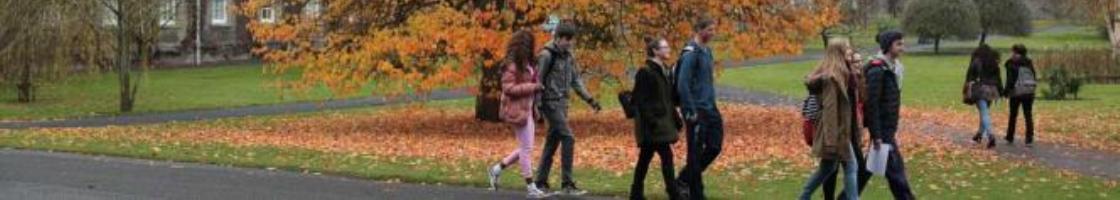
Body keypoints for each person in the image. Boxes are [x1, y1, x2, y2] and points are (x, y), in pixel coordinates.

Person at [534, 22, 601, 196]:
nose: (569, 43)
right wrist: (538, 106)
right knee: (568, 137)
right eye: (566, 39)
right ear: (557, 38)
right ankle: (567, 184)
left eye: (571, 40)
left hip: (563, 104)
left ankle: (540, 181)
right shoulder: (546, 55)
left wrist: (590, 99)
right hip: (550, 103)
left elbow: (576, 80)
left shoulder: (569, 57)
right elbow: (537, 82)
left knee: (552, 142)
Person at [487, 30, 550, 199]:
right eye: (529, 45)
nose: (532, 49)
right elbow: (508, 89)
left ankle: (496, 169)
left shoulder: (527, 63)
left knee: (525, 148)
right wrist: (532, 87)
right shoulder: (512, 65)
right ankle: (531, 187)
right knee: (526, 149)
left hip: (527, 109)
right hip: (517, 111)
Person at [798, 39, 860, 200]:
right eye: (846, 49)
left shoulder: (844, 73)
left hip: (841, 131)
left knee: (828, 168)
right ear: (838, 52)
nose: (850, 51)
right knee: (851, 166)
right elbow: (830, 111)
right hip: (835, 133)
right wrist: (831, 141)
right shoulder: (832, 79)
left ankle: (803, 196)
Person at [861, 30, 916, 199]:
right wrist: (877, 135)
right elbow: (872, 106)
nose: (902, 48)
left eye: (902, 43)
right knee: (896, 173)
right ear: (887, 46)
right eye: (898, 44)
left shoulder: (893, 69)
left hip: (888, 130)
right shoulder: (877, 70)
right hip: (883, 132)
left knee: (866, 172)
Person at [630, 36, 684, 200]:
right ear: (655, 51)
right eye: (664, 47)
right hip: (652, 125)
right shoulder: (645, 72)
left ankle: (636, 192)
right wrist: (652, 122)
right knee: (665, 156)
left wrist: (676, 118)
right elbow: (640, 101)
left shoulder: (664, 71)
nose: (668, 50)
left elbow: (667, 99)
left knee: (646, 158)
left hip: (661, 123)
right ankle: (673, 193)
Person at [675, 16, 723, 200]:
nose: (713, 33)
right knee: (694, 154)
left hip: (710, 108)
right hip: (696, 110)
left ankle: (684, 178)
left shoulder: (707, 51)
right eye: (710, 29)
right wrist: (690, 111)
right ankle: (696, 194)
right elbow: (682, 85)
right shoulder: (690, 53)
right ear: (700, 30)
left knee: (714, 146)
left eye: (714, 29)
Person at [822, 46, 869, 200]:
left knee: (857, 169)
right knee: (832, 170)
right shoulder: (841, 80)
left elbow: (862, 109)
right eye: (855, 61)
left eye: (861, 61)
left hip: (852, 134)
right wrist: (831, 137)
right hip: (840, 133)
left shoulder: (859, 82)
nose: (859, 64)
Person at [966, 44, 1004, 149]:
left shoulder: (976, 61)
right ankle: (978, 135)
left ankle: (990, 135)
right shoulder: (994, 62)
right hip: (992, 90)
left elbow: (970, 76)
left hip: (981, 89)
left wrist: (967, 87)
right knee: (984, 112)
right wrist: (1001, 91)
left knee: (984, 113)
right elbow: (998, 78)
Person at [1003, 44, 1037, 147]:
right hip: (1028, 92)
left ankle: (1010, 137)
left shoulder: (1011, 63)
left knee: (1013, 115)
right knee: (1028, 115)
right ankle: (1029, 139)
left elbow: (1010, 80)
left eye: (1013, 52)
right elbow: (1033, 76)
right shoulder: (1029, 62)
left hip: (1016, 92)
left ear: (1016, 53)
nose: (1012, 54)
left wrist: (1006, 92)